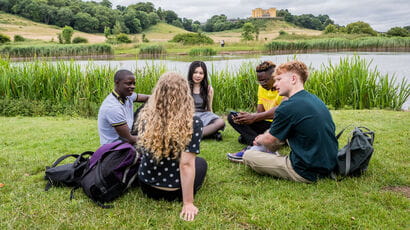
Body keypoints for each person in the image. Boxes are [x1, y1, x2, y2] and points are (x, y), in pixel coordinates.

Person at [242, 60, 338, 183]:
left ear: (293, 79)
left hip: (306, 171)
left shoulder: (287, 106)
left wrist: (259, 139)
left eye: (279, 79)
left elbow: (270, 141)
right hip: (330, 164)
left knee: (249, 156)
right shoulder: (315, 100)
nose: (275, 84)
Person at [134, 72, 207, 221]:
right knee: (200, 163)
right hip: (172, 191)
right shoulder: (193, 122)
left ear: (158, 92)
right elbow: (186, 165)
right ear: (185, 93)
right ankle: (185, 197)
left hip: (146, 186)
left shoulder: (145, 115)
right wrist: (188, 203)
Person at [227, 61, 284, 160]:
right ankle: (259, 143)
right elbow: (260, 113)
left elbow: (282, 111)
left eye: (265, 80)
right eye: (260, 81)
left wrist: (254, 117)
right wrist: (247, 117)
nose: (262, 84)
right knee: (233, 116)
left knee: (243, 138)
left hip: (279, 126)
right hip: (267, 125)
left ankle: (258, 145)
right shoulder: (261, 88)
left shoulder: (283, 88)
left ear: (275, 77)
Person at [97, 69, 149, 146]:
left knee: (149, 104)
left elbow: (149, 98)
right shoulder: (112, 107)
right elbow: (129, 139)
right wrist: (154, 139)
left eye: (134, 84)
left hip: (126, 139)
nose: (132, 87)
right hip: (116, 149)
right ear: (117, 83)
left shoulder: (127, 96)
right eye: (129, 84)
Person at [188, 61, 225, 141]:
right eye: (195, 72)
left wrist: (209, 96)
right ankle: (211, 133)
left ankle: (196, 135)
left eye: (201, 73)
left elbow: (209, 108)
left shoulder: (208, 89)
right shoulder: (185, 87)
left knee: (220, 122)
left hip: (204, 115)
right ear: (191, 73)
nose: (198, 75)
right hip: (190, 115)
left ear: (204, 75)